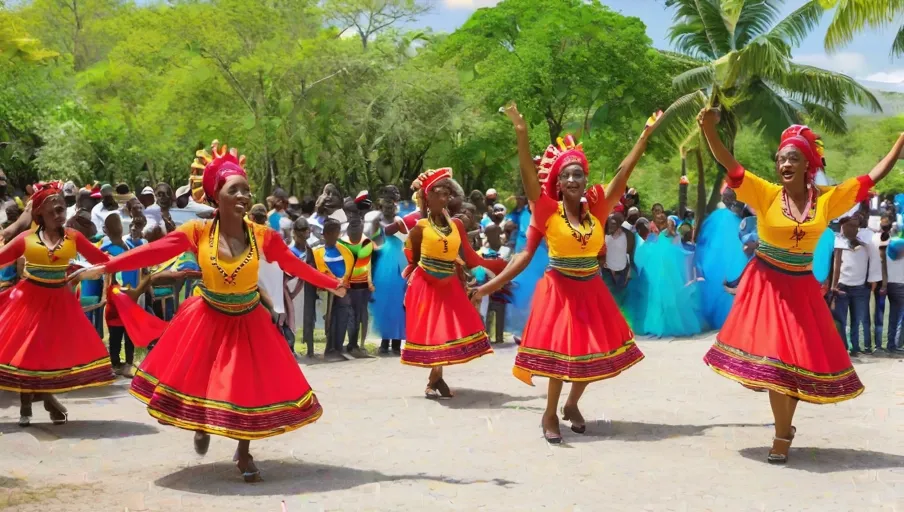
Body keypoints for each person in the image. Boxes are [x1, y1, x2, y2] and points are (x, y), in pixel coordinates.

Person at [79, 141, 346, 482]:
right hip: (206, 317)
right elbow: (150, 253)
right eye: (235, 190)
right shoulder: (197, 232)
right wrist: (103, 268)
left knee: (246, 387)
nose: (243, 197)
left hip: (249, 321)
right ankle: (202, 422)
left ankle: (244, 452)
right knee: (203, 381)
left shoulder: (263, 236)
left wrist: (330, 283)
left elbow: (295, 265)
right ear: (215, 194)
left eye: (247, 191)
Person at [697, 106, 904, 464]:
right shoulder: (763, 193)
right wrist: (709, 130)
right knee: (776, 362)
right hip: (767, 286)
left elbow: (872, 176)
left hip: (802, 289)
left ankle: (784, 429)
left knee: (793, 367)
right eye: (781, 159)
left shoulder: (826, 198)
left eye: (793, 157)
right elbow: (729, 164)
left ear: (808, 164)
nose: (785, 164)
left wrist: (901, 141)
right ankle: (782, 435)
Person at [476, 104, 658, 443]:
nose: (573, 179)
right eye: (566, 175)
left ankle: (572, 405)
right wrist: (521, 131)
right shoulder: (546, 209)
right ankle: (549, 413)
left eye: (578, 174)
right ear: (558, 183)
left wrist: (644, 136)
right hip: (559, 291)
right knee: (560, 358)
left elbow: (623, 171)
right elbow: (530, 181)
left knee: (593, 354)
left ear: (585, 179)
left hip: (591, 289)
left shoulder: (599, 208)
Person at [0, 182, 116, 427]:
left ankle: (40, 401)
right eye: (52, 210)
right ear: (39, 212)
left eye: (61, 209)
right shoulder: (26, 238)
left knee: (47, 356)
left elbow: (102, 260)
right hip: (29, 303)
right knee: (28, 354)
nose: (58, 214)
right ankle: (34, 403)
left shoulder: (73, 237)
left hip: (60, 304)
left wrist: (131, 259)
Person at [403, 167, 506, 398]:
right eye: (439, 193)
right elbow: (415, 257)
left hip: (449, 284)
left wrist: (502, 266)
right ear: (427, 198)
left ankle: (435, 379)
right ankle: (434, 380)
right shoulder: (420, 227)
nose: (444, 198)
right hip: (427, 285)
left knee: (447, 332)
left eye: (446, 194)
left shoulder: (456, 225)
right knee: (435, 333)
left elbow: (471, 258)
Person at [831, 211, 882, 355]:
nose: (851, 229)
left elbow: (874, 259)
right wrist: (833, 286)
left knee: (858, 320)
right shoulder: (838, 240)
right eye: (847, 225)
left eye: (854, 225)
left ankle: (856, 347)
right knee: (840, 320)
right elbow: (835, 264)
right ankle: (842, 347)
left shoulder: (867, 240)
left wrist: (873, 280)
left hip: (860, 287)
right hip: (842, 286)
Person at [312, 218, 354, 360]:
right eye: (334, 232)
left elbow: (349, 267)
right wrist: (332, 281)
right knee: (329, 318)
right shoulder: (317, 252)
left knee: (342, 318)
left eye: (337, 232)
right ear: (327, 233)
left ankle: (338, 347)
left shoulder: (344, 250)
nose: (337, 235)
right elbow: (319, 270)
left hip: (343, 289)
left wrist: (343, 280)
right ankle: (329, 349)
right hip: (327, 290)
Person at [340, 206, 374, 358]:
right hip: (349, 285)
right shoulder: (342, 242)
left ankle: (359, 344)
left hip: (361, 285)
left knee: (360, 315)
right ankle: (352, 344)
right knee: (352, 315)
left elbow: (367, 265)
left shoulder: (366, 242)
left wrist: (370, 283)